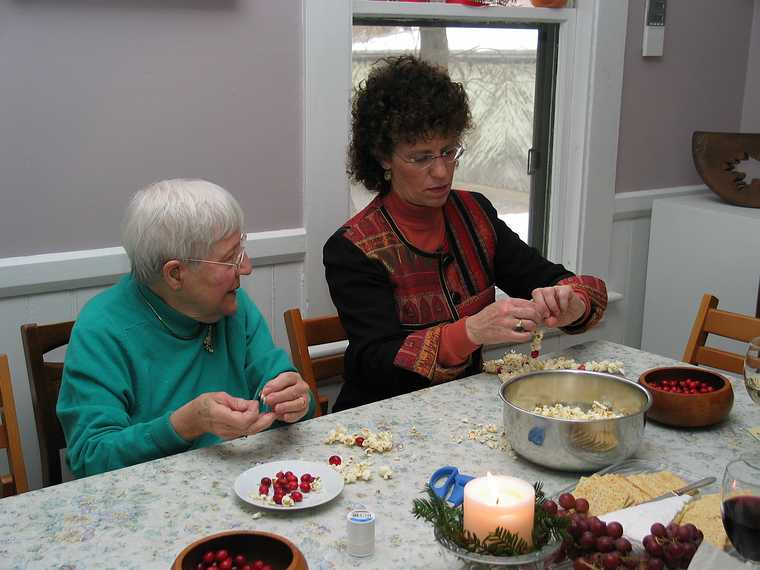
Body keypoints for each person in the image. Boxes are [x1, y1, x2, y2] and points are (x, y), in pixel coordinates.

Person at [324, 55, 608, 412]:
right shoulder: (352, 248)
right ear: (383, 157)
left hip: (463, 413)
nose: (442, 171)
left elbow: (555, 280)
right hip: (382, 420)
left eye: (449, 151)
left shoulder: (475, 215)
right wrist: (470, 332)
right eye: (421, 157)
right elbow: (376, 363)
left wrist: (571, 304)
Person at [58, 179, 314, 477]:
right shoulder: (102, 329)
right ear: (176, 274)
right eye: (230, 258)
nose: (246, 267)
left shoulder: (233, 306)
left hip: (246, 485)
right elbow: (91, 458)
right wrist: (184, 425)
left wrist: (294, 399)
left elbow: (289, 392)